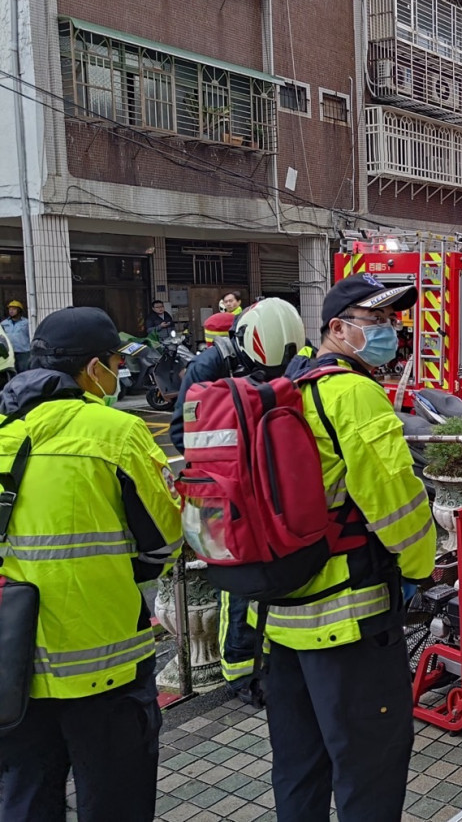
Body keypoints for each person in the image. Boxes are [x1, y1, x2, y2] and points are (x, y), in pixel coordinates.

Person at [256, 273, 435, 820]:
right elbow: (395, 501)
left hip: (282, 616)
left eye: (392, 322)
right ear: (338, 328)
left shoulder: (290, 387)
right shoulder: (352, 391)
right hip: (349, 621)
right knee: (368, 770)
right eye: (377, 322)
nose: (391, 332)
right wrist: (420, 567)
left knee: (298, 765)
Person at [0, 307, 182, 821]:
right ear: (94, 367)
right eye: (114, 361)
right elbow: (164, 540)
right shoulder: (115, 433)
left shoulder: (4, 431)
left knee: (26, 796)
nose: (118, 371)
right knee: (115, 799)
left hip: (12, 668)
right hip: (105, 666)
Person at [171, 299, 307, 701]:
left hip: (267, 483)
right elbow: (184, 434)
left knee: (272, 576)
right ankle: (240, 671)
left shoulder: (289, 354)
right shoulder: (207, 369)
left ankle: (267, 659)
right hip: (223, 488)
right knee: (239, 584)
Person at [2, 300, 31, 372]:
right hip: (9, 352)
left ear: (19, 310)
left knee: (24, 371)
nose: (11, 311)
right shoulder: (4, 323)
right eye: (10, 309)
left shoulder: (27, 322)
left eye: (14, 309)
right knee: (11, 371)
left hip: (23, 351)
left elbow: (31, 335)